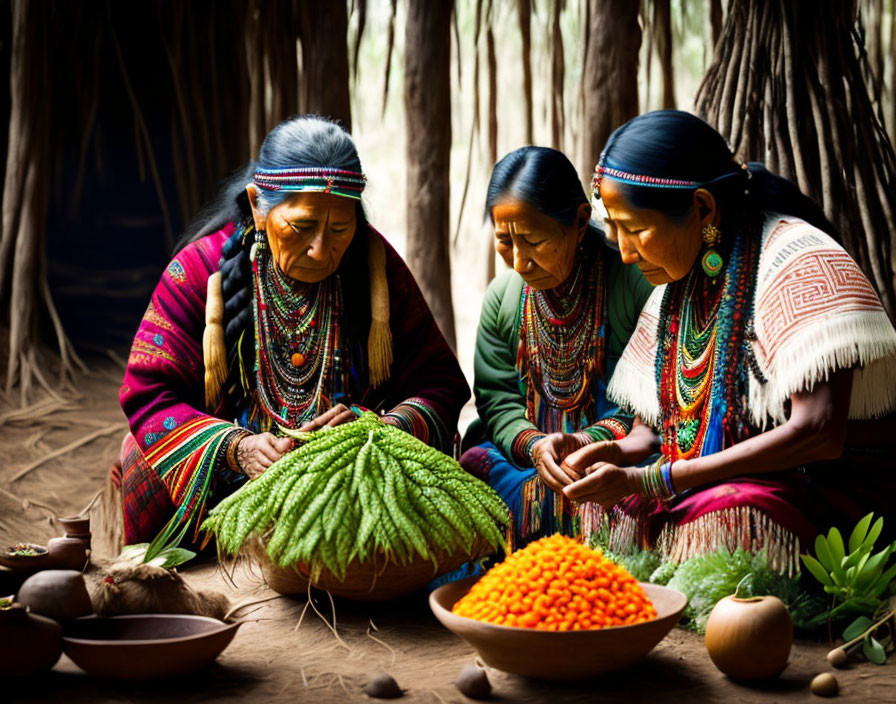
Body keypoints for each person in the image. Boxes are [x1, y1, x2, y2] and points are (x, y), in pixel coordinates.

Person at [560, 110, 896, 572]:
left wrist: (658, 480)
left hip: (821, 491)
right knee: (605, 502)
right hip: (708, 481)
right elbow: (654, 428)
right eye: (614, 228)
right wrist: (615, 453)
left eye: (636, 229)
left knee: (730, 516)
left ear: (702, 208)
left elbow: (819, 434)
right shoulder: (678, 288)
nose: (624, 250)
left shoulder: (799, 261)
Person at [116, 115, 469, 546]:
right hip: (227, 485)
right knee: (140, 458)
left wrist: (376, 430)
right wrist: (236, 448)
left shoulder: (376, 268)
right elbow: (148, 392)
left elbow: (442, 384)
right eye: (302, 227)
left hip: (350, 484)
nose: (321, 249)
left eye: (339, 228)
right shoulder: (196, 272)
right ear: (257, 206)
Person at [459, 146, 653, 547]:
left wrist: (584, 443)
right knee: (472, 469)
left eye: (533, 240)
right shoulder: (503, 297)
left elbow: (646, 403)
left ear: (581, 221)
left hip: (615, 454)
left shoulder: (634, 284)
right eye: (504, 241)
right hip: (529, 460)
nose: (519, 261)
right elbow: (497, 399)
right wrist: (534, 447)